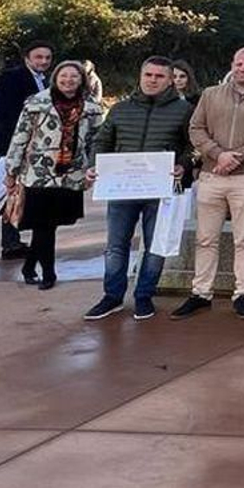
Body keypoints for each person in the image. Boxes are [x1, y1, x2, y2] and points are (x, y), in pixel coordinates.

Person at [173, 47, 244, 320]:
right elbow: (196, 129)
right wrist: (217, 154)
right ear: (232, 64)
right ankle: (201, 293)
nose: (243, 68)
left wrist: (237, 157)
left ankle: (243, 293)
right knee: (205, 238)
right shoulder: (211, 95)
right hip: (212, 175)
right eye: (239, 63)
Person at [83, 56, 194, 321]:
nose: (153, 80)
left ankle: (144, 296)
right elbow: (101, 141)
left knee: (156, 246)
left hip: (160, 189)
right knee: (115, 246)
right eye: (148, 75)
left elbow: (194, 145)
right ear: (140, 76)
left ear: (170, 80)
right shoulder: (121, 109)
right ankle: (112, 297)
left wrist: (184, 164)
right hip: (122, 189)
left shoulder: (183, 110)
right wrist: (94, 164)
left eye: (159, 76)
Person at [1, 60, 103, 289]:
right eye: (63, 76)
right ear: (55, 78)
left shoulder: (92, 108)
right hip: (39, 173)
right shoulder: (36, 103)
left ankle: (29, 266)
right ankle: (49, 273)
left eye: (74, 77)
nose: (68, 81)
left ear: (82, 80)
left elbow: (97, 141)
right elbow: (20, 138)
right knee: (43, 224)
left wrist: (94, 167)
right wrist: (11, 170)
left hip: (72, 172)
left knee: (51, 224)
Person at [0, 38, 54, 260]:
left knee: (15, 195)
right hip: (11, 146)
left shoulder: (45, 80)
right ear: (27, 58)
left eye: (47, 58)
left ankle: (11, 244)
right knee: (4, 194)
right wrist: (18, 147)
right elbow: (7, 115)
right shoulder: (10, 78)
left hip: (32, 146)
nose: (43, 61)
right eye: (39, 57)